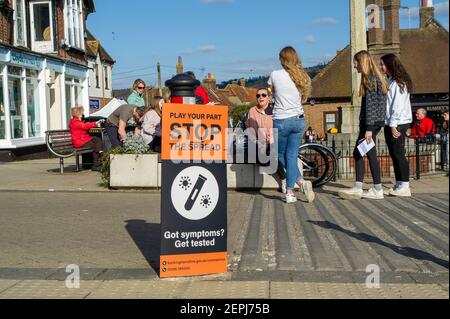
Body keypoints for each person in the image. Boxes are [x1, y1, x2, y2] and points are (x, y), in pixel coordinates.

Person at [339, 50, 388, 201]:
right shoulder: (374, 78)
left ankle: (376, 189)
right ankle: (360, 187)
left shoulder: (370, 79)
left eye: (355, 62)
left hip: (370, 124)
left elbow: (372, 106)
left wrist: (368, 129)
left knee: (367, 154)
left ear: (362, 61)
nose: (354, 65)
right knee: (360, 153)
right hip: (373, 123)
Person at [268, 46, 315, 204]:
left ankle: (299, 183)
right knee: (292, 156)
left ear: (282, 59)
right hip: (299, 120)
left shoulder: (275, 74)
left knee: (280, 155)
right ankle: (290, 192)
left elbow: (272, 93)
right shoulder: (303, 76)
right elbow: (303, 99)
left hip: (281, 120)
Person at [380, 53, 414, 197]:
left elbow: (397, 106)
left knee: (399, 153)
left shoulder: (400, 83)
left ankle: (405, 186)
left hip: (399, 122)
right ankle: (400, 183)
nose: (380, 67)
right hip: (393, 122)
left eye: (382, 64)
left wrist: (393, 125)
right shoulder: (392, 81)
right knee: (394, 153)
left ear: (389, 65)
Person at [247, 88, 287, 193]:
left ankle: (284, 179)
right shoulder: (252, 111)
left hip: (273, 141)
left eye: (263, 95)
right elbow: (251, 129)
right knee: (257, 155)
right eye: (258, 95)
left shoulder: (274, 112)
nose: (260, 97)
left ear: (268, 98)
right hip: (258, 142)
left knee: (271, 152)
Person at [69, 107, 104, 171]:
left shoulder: (78, 121)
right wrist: (95, 123)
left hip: (84, 140)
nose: (82, 115)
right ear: (78, 114)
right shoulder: (75, 122)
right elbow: (85, 126)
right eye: (81, 113)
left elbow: (85, 125)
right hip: (80, 142)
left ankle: (100, 153)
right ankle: (96, 164)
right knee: (95, 146)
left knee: (97, 139)